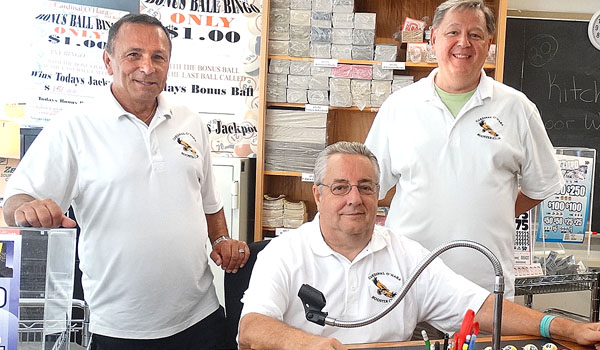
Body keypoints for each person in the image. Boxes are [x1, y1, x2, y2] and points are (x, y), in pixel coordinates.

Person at [2, 13, 249, 350]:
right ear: (108, 61)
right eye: (133, 55)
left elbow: (209, 202)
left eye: (158, 57)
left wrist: (221, 238)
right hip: (120, 328)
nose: (147, 67)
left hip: (201, 317)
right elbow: (16, 200)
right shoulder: (73, 127)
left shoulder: (189, 121)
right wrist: (27, 209)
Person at [237, 141, 600, 350]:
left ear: (378, 194)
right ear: (318, 194)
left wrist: (563, 327)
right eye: (339, 187)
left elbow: (479, 307)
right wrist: (311, 345)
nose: (354, 198)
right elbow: (251, 327)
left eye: (365, 187)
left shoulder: (406, 255)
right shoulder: (283, 253)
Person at [364, 0, 564, 299]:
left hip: (483, 282)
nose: (463, 43)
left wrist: (491, 212)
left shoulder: (516, 107)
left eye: (475, 34)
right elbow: (370, 184)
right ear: (433, 38)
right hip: (407, 278)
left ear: (489, 44)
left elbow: (542, 185)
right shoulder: (400, 106)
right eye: (453, 32)